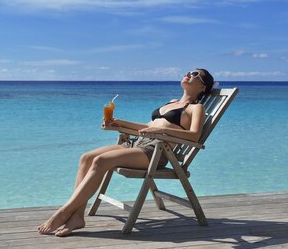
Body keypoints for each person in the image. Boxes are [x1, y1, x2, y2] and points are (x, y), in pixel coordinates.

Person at [37, 68, 215, 236]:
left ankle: (63, 212)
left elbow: (194, 136)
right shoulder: (171, 102)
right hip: (137, 143)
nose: (188, 74)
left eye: (194, 74)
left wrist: (162, 132)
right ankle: (77, 216)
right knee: (86, 158)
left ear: (202, 86)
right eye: (188, 72)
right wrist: (118, 123)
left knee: (100, 161)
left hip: (156, 151)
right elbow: (146, 127)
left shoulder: (195, 108)